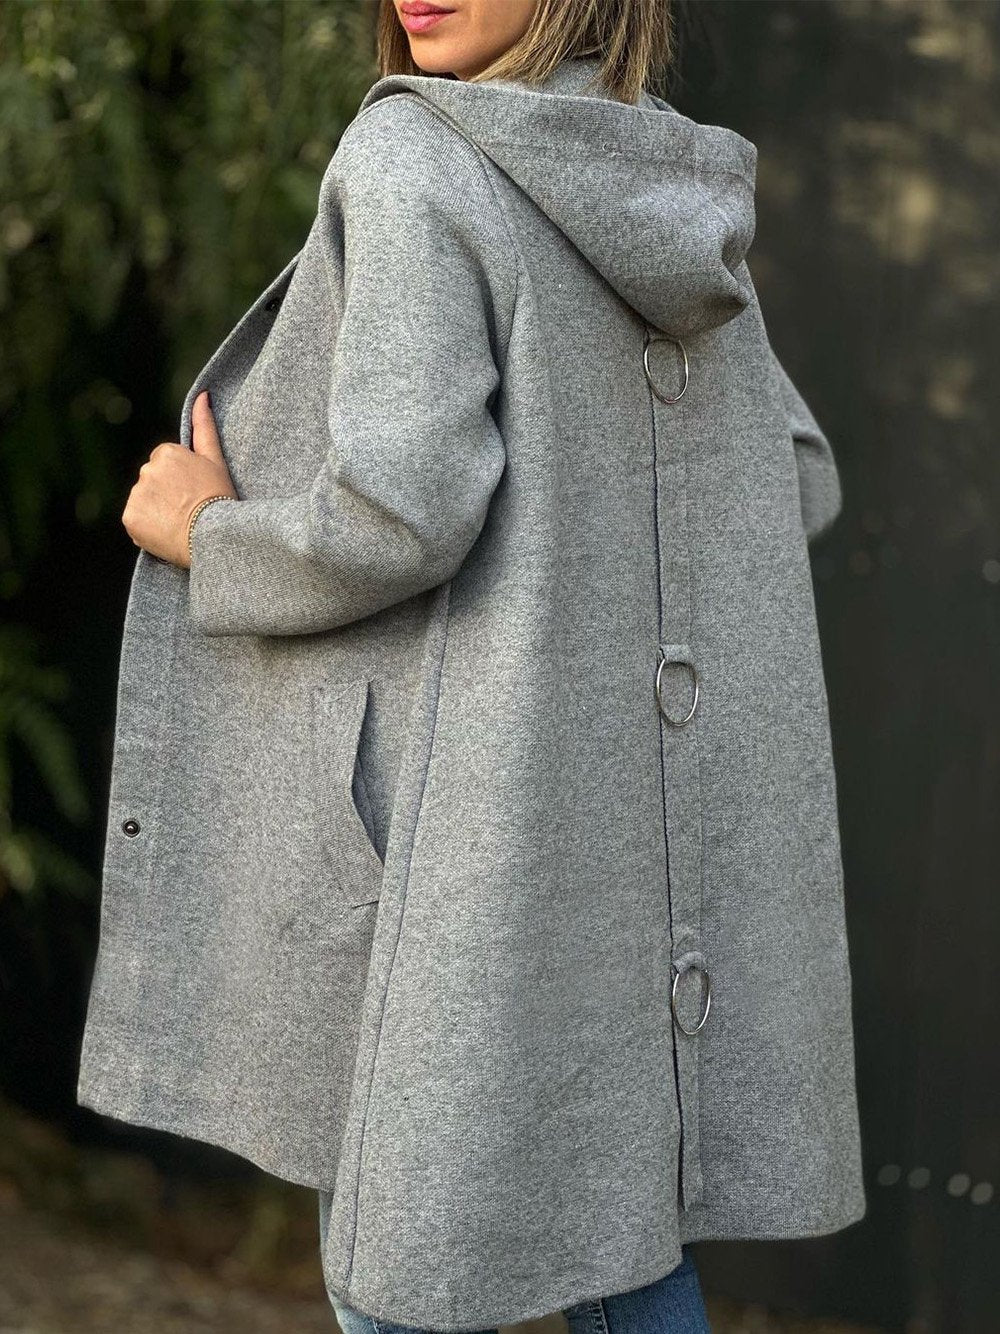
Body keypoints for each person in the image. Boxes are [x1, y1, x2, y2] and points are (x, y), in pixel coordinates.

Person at [77, 1, 867, 1332]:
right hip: (629, 868)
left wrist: (207, 533)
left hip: (462, 856)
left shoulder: (416, 157)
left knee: (397, 1276)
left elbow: (402, 512)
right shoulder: (664, 174)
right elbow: (792, 478)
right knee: (618, 1243)